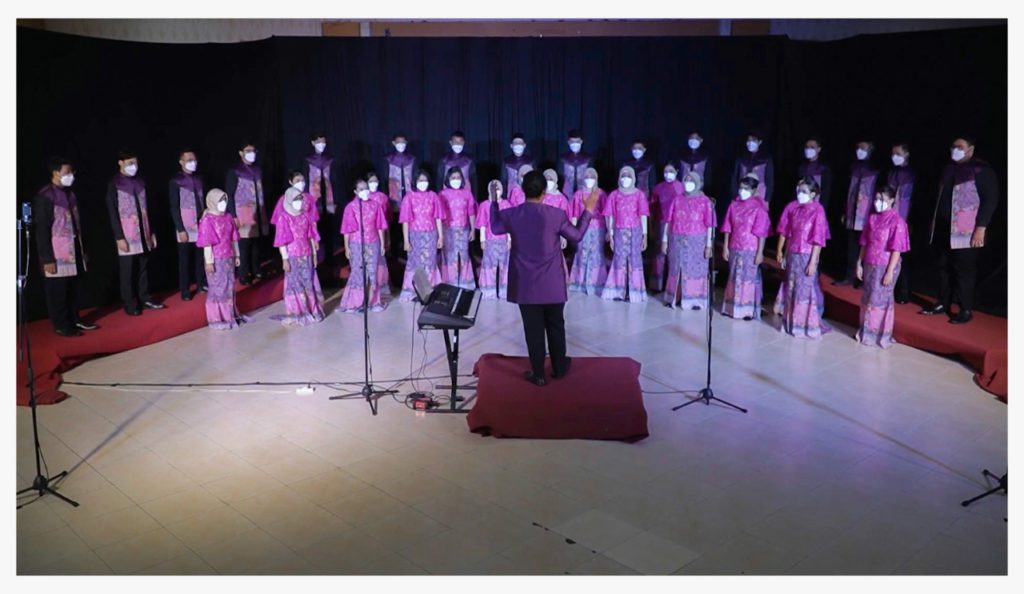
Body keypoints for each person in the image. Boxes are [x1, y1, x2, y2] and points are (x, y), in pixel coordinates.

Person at [489, 170, 598, 386]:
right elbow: (576, 236)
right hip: (552, 283)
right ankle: (559, 368)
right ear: (544, 192)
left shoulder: (512, 214)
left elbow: (495, 227)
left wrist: (494, 203)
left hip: (525, 285)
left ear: (522, 190)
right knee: (556, 325)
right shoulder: (555, 215)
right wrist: (588, 210)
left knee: (533, 329)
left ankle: (538, 374)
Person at [920, 137, 1000, 324]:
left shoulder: (981, 170)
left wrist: (981, 227)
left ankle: (965, 309)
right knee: (943, 267)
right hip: (943, 228)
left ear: (971, 150)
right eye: (953, 147)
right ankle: (942, 302)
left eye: (960, 147)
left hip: (966, 230)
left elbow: (990, 199)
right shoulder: (948, 169)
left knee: (964, 271)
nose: (955, 150)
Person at [33, 157, 97, 336]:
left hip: (73, 247)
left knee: (73, 289)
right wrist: (47, 259)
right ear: (56, 173)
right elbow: (42, 230)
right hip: (56, 252)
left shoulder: (70, 194)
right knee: (58, 291)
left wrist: (82, 250)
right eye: (67, 172)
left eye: (72, 172)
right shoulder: (46, 196)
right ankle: (61, 325)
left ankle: (75, 319)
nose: (71, 176)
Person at [106, 148, 164, 316]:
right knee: (128, 271)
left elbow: (148, 209)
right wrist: (119, 236)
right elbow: (112, 212)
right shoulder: (114, 184)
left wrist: (151, 232)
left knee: (143, 267)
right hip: (127, 233)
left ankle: (145, 297)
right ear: (121, 163)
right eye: (130, 163)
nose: (133, 166)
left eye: (135, 163)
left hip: (143, 231)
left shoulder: (141, 182)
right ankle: (130, 303)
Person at [773, 178, 831, 338]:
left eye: (804, 192)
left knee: (804, 290)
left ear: (813, 194)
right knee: (791, 288)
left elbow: (818, 239)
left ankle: (804, 324)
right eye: (799, 191)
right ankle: (790, 322)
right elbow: (789, 234)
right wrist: (784, 254)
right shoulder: (795, 208)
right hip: (793, 253)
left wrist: (813, 262)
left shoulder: (818, 211)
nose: (800, 194)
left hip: (807, 256)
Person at [856, 186, 910, 348]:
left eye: (883, 200)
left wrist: (889, 271)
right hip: (870, 263)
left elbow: (897, 249)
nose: (878, 203)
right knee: (867, 297)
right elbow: (864, 243)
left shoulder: (897, 222)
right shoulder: (872, 219)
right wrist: (859, 263)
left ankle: (878, 334)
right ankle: (865, 330)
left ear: (892, 201)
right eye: (877, 199)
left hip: (886, 265)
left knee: (879, 300)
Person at [272, 186, 325, 326]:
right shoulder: (284, 218)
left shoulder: (306, 215)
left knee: (308, 282)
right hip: (292, 255)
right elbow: (281, 241)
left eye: (301, 199)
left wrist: (314, 254)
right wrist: (284, 259)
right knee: (295, 284)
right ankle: (297, 311)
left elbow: (311, 237)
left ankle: (311, 309)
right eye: (296, 200)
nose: (299, 202)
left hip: (306, 253)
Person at [662, 171, 715, 310]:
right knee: (675, 268)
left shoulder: (705, 201)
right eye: (686, 180)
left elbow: (710, 224)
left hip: (696, 242)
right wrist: (664, 240)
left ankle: (695, 300)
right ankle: (674, 297)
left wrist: (709, 245)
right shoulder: (677, 199)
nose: (688, 183)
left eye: (691, 180)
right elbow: (668, 220)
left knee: (694, 270)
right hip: (676, 240)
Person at [720, 175, 771, 320]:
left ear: (754, 191)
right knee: (734, 276)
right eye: (741, 188)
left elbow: (762, 233)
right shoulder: (733, 205)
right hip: (735, 246)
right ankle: (731, 308)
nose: (742, 191)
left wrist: (760, 252)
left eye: (746, 189)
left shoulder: (759, 209)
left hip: (751, 248)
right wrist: (725, 247)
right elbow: (727, 227)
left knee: (748, 279)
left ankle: (747, 310)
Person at [196, 189, 245, 330]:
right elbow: (207, 243)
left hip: (228, 257)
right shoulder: (207, 220)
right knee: (218, 288)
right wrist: (209, 261)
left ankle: (229, 315)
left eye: (225, 200)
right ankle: (217, 318)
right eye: (220, 200)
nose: (223, 204)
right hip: (216, 259)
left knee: (229, 286)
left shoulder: (228, 217)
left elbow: (234, 238)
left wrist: (237, 255)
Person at [339, 179, 389, 313]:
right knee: (358, 272)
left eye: (365, 188)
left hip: (373, 243)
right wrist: (347, 247)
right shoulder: (351, 207)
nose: (364, 191)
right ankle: (355, 303)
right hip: (356, 243)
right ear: (355, 191)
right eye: (360, 189)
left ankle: (373, 301)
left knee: (372, 272)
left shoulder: (376, 205)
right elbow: (347, 229)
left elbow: (380, 226)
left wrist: (383, 244)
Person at [602, 166, 649, 303]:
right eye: (623, 175)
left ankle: (634, 292)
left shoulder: (639, 195)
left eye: (628, 175)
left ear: (633, 177)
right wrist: (610, 234)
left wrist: (645, 235)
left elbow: (643, 215)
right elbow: (610, 215)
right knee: (619, 260)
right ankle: (617, 291)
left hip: (635, 231)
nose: (625, 178)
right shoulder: (614, 195)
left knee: (635, 261)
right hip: (619, 231)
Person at [835, 140, 880, 287]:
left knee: (866, 247)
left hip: (867, 214)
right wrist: (844, 211)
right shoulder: (853, 168)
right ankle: (849, 276)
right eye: (858, 148)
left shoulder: (875, 171)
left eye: (864, 148)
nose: (859, 151)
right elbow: (848, 192)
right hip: (851, 213)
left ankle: (863, 279)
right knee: (851, 246)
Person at [225, 140, 268, 285]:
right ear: (241, 153)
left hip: (257, 211)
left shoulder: (258, 170)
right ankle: (244, 273)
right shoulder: (235, 171)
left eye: (253, 151)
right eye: (248, 151)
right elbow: (229, 194)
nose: (251, 154)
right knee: (244, 245)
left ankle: (257, 269)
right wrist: (233, 215)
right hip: (242, 212)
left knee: (256, 244)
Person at [398, 171, 444, 302]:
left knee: (430, 262)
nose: (423, 183)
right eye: (420, 180)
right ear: (415, 181)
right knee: (415, 264)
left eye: (425, 180)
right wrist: (406, 240)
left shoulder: (433, 196)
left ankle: (430, 291)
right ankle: (414, 291)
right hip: (415, 235)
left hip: (431, 234)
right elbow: (405, 220)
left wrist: (441, 237)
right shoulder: (409, 197)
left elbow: (438, 218)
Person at [169, 149, 207, 301]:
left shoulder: (198, 179)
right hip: (185, 225)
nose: (193, 163)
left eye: (194, 160)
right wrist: (180, 229)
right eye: (189, 160)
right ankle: (184, 290)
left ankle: (201, 283)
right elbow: (174, 206)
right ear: (181, 162)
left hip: (200, 224)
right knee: (184, 260)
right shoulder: (176, 181)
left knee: (200, 258)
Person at [568, 168, 609, 296]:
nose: (589, 179)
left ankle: (596, 283)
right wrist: (573, 230)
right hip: (582, 228)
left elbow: (607, 213)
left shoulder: (600, 193)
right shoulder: (578, 194)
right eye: (587, 176)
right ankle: (579, 283)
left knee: (596, 254)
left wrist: (608, 230)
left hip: (598, 228)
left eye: (592, 176)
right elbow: (574, 214)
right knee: (582, 252)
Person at [438, 167, 477, 289]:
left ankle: (465, 282)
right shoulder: (442, 194)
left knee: (464, 255)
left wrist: (473, 230)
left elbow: (471, 212)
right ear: (448, 179)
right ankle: (449, 282)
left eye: (458, 177)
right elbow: (438, 215)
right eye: (453, 178)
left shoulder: (467, 193)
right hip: (447, 229)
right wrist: (440, 235)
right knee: (449, 256)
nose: (456, 180)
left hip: (463, 229)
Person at [887, 142, 916, 304]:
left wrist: (910, 221)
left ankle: (904, 291)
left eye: (898, 153)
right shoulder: (891, 173)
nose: (894, 157)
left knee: (902, 256)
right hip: (889, 220)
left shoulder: (912, 174)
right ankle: (889, 286)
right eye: (893, 153)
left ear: (906, 154)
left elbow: (913, 199)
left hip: (904, 220)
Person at [304, 131, 338, 265]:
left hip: (328, 201)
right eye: (318, 142)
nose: (321, 145)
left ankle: (330, 257)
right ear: (313, 143)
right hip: (314, 201)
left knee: (329, 230)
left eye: (323, 142)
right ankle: (316, 256)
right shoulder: (307, 161)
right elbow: (305, 181)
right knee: (315, 230)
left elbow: (334, 180)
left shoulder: (330, 160)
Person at [649, 163, 683, 292]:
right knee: (659, 254)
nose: (668, 173)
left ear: (677, 171)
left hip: (677, 225)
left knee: (674, 254)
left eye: (671, 171)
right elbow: (652, 208)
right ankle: (656, 285)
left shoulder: (682, 188)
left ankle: (673, 287)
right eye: (665, 171)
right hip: (661, 224)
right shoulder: (658, 188)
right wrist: (652, 226)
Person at [476, 180, 512, 300]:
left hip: (503, 241)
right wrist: (482, 240)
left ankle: (504, 291)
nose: (496, 191)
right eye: (493, 189)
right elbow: (482, 224)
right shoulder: (484, 205)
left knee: (504, 266)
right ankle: (489, 291)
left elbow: (509, 224)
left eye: (498, 188)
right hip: (490, 241)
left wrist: (510, 239)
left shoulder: (506, 204)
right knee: (489, 267)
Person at [385, 133, 416, 256]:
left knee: (409, 225)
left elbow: (415, 178)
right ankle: (394, 252)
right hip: (393, 199)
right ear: (393, 143)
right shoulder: (388, 159)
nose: (401, 145)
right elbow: (384, 178)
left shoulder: (412, 159)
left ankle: (407, 249)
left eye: (403, 142)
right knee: (394, 227)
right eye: (398, 142)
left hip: (409, 198)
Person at [366, 172, 392, 295]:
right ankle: (369, 287)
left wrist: (387, 237)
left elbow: (387, 218)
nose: (373, 183)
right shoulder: (363, 197)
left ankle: (381, 285)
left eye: (375, 181)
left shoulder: (383, 197)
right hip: (367, 234)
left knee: (380, 259)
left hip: (381, 232)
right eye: (371, 181)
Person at [730, 132, 774, 205]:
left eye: (753, 140)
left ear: (760, 142)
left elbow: (769, 181)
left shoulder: (766, 159)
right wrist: (734, 196)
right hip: (742, 194)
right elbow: (734, 178)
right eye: (748, 140)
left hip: (760, 194)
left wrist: (767, 199)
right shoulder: (741, 158)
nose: (750, 143)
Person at [796, 137, 832, 211]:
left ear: (819, 149)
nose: (809, 150)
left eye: (812, 147)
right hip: (801, 207)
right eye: (807, 147)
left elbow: (825, 193)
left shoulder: (824, 169)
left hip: (816, 208)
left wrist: (822, 210)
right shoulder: (802, 168)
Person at [437, 130, 475, 198]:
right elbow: (439, 181)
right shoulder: (444, 160)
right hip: (446, 198)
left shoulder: (469, 161)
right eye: (455, 141)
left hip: (465, 198)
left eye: (460, 141)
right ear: (451, 142)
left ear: (463, 142)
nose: (458, 144)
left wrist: (474, 199)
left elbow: (474, 182)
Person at [558, 129, 593, 197]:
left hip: (584, 195)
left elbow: (592, 177)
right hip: (566, 195)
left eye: (577, 141)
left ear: (581, 142)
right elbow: (559, 178)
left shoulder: (587, 159)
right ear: (568, 142)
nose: (575, 144)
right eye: (572, 141)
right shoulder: (563, 159)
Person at [501, 133, 535, 199]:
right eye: (515, 143)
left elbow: (535, 180)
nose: (518, 144)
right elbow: (503, 181)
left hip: (527, 197)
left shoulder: (530, 161)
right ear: (511, 145)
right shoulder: (506, 162)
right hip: (510, 198)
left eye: (520, 142)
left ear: (524, 145)